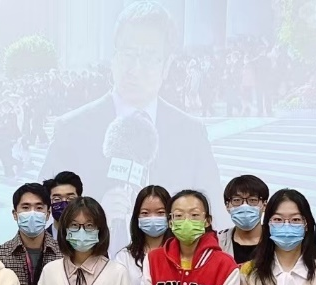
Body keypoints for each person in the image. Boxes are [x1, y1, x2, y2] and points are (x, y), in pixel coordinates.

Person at [39, 2, 228, 251]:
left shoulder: (191, 134)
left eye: (149, 57)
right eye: (128, 54)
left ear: (167, 65)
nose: (135, 69)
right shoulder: (72, 129)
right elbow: (40, 215)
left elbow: (216, 217)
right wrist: (89, 218)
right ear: (114, 57)